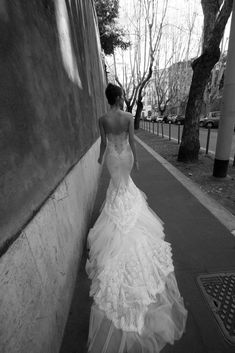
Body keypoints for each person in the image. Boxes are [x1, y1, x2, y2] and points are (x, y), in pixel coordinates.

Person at [86, 83, 187, 353]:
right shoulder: (129, 117)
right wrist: (137, 160)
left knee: (116, 189)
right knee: (126, 187)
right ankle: (126, 218)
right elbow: (131, 141)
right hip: (126, 157)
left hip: (111, 158)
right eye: (122, 95)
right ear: (119, 97)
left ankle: (115, 222)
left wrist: (100, 158)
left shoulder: (102, 119)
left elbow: (104, 144)